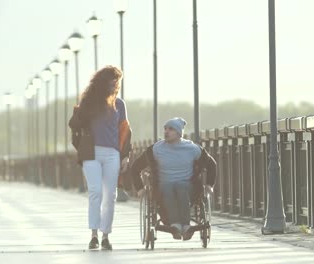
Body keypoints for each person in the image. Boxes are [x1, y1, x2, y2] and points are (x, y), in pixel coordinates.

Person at [68, 65, 131, 250]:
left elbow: (125, 131)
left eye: (117, 83)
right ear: (103, 83)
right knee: (95, 192)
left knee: (111, 195)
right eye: (112, 82)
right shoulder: (90, 102)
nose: (115, 86)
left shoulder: (120, 104)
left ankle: (105, 236)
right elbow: (74, 123)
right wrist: (86, 108)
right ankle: (93, 234)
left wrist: (126, 155)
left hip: (113, 154)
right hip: (91, 152)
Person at [130, 117, 216, 241]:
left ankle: (185, 226)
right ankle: (175, 225)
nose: (166, 131)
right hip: (163, 187)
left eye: (171, 129)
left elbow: (212, 164)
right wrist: (140, 188)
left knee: (180, 186)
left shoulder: (192, 148)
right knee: (168, 186)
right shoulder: (156, 149)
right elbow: (135, 167)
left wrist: (209, 185)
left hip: (188, 186)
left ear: (179, 133)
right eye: (165, 129)